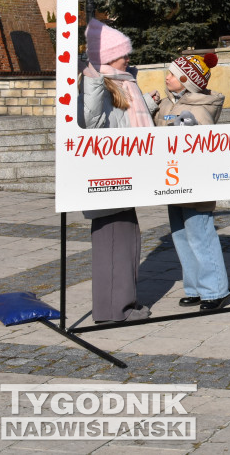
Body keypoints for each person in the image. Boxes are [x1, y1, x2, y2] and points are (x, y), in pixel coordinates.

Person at [78, 19, 153, 323]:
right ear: (107, 57)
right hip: (107, 177)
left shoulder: (121, 82)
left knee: (127, 241)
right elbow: (92, 121)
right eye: (122, 54)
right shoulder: (97, 84)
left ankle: (124, 303)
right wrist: (94, 78)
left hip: (124, 176)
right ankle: (114, 311)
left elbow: (122, 119)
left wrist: (148, 103)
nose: (128, 58)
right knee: (114, 244)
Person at [149, 53, 230, 310]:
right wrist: (150, 108)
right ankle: (195, 287)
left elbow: (204, 148)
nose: (167, 77)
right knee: (181, 236)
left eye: (173, 74)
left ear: (187, 81)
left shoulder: (198, 110)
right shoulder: (167, 104)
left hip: (195, 184)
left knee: (200, 235)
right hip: (173, 181)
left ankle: (214, 290)